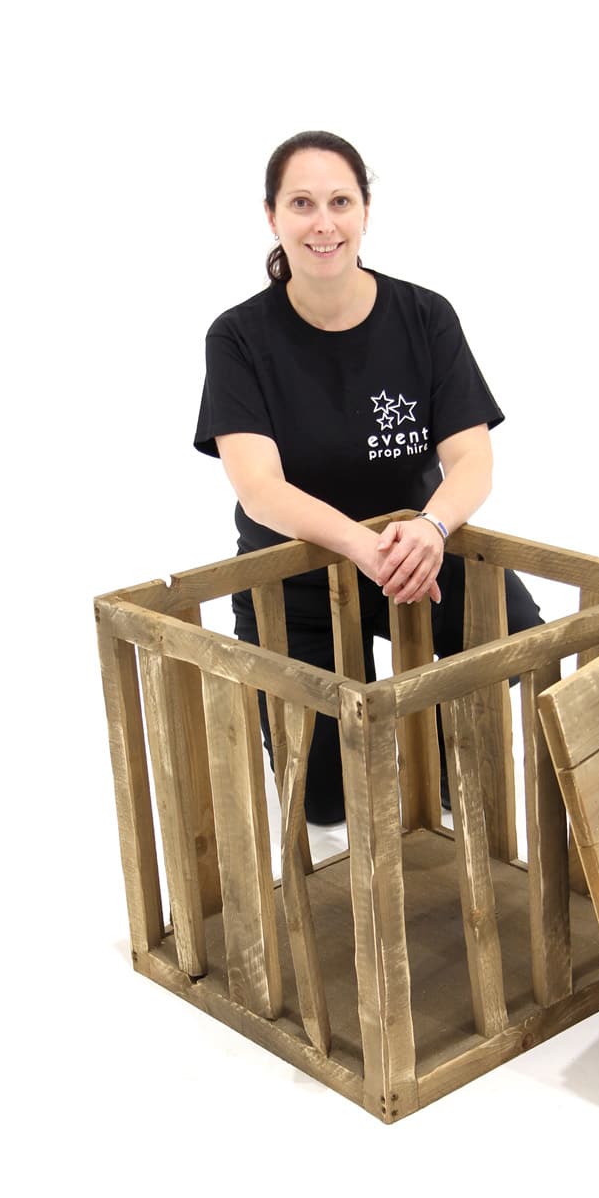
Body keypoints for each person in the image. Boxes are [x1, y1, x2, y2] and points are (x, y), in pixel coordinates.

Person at [194, 130, 542, 823]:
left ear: (365, 211)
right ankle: (367, 764)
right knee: (325, 805)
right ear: (272, 216)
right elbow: (259, 487)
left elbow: (472, 459)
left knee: (518, 642)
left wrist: (432, 527)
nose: (323, 223)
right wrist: (359, 544)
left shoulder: (425, 316)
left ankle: (430, 761)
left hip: (416, 555)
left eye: (340, 202)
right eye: (301, 203)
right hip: (297, 576)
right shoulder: (238, 338)